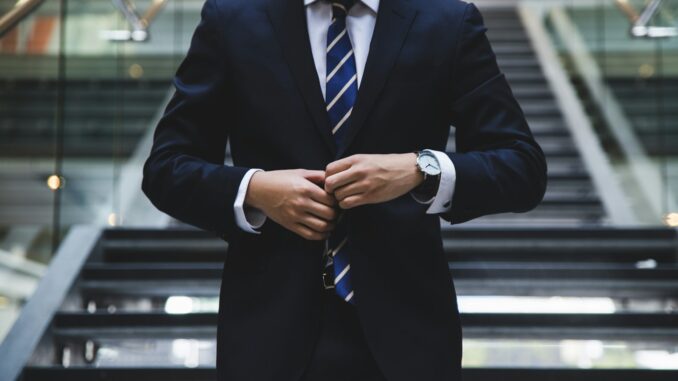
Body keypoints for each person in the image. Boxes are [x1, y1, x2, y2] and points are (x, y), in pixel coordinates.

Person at [141, 0, 547, 379]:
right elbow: (166, 168)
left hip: (409, 337)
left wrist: (421, 168)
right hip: (266, 332)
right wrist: (254, 189)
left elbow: (522, 166)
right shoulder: (232, 17)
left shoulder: (447, 21)